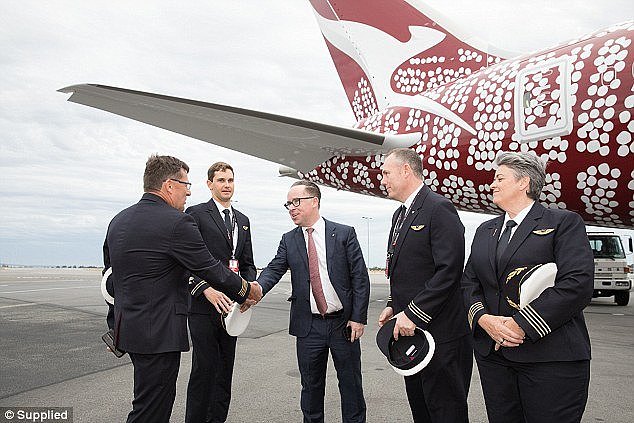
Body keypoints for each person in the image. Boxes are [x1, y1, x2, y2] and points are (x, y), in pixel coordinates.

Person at [102, 154, 262, 423]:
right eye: (186, 185)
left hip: (129, 329)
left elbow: (110, 281)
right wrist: (247, 290)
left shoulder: (118, 221)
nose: (188, 193)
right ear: (169, 185)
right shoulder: (177, 222)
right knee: (152, 410)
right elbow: (210, 267)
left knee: (146, 401)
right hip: (159, 334)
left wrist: (113, 325)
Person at [461, 151, 594, 423]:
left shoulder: (563, 223)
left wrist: (519, 324)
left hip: (550, 359)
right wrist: (484, 320)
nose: (492, 184)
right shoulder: (485, 230)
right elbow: (469, 282)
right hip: (495, 359)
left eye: (499, 178)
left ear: (523, 183)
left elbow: (577, 284)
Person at [254, 180, 370, 423]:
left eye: (296, 202)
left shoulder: (344, 234)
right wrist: (256, 289)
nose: (291, 208)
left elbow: (360, 278)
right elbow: (274, 269)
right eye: (288, 204)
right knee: (310, 389)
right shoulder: (289, 239)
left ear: (314, 201)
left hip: (343, 325)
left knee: (351, 386)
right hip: (309, 327)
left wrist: (358, 318)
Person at [378, 148, 472, 422]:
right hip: (412, 333)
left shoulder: (438, 208)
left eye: (386, 173)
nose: (383, 180)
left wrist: (412, 313)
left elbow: (449, 271)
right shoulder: (400, 215)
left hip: (441, 335)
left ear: (406, 170)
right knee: (421, 410)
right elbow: (410, 271)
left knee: (445, 412)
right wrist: (393, 305)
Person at [185, 162, 257, 423]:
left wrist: (248, 291)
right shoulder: (196, 214)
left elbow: (247, 263)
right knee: (204, 370)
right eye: (221, 180)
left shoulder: (243, 221)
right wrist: (204, 288)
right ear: (209, 184)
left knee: (225, 370)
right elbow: (186, 260)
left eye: (230, 180)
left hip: (232, 309)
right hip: (205, 307)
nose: (227, 185)